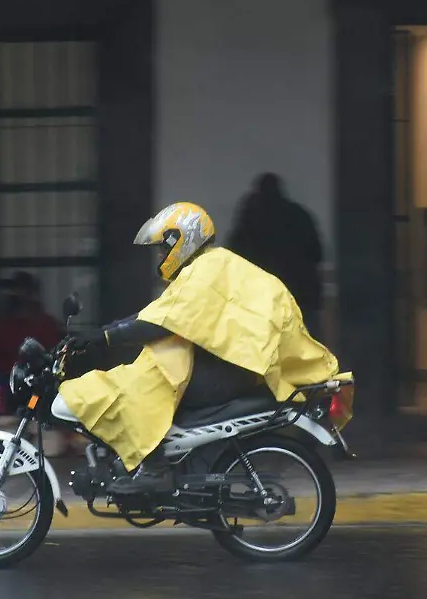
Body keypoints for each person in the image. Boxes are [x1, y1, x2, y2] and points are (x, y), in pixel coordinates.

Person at [52, 202, 341, 495]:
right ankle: (179, 466)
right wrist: (105, 332)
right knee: (153, 374)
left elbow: (159, 324)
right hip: (239, 364)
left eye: (163, 248)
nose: (160, 256)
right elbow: (156, 315)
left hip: (234, 369)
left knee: (147, 388)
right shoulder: (209, 265)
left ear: (181, 241)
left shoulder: (205, 271)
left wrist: (103, 337)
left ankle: (155, 469)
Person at [227, 173, 324, 333]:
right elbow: (317, 253)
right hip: (299, 295)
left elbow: (234, 259)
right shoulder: (299, 216)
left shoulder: (248, 220)